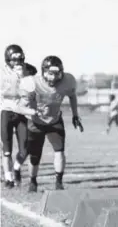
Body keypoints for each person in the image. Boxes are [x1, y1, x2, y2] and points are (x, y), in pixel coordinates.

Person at [19, 56, 84, 192]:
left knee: (59, 152)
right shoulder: (32, 83)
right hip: (36, 122)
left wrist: (75, 115)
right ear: (43, 72)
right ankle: (33, 181)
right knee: (35, 156)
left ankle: (59, 183)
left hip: (54, 121)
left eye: (57, 74)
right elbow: (21, 106)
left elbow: (72, 96)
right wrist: (31, 110)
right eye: (50, 73)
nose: (53, 78)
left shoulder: (68, 81)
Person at [0, 44, 37, 188]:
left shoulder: (29, 70)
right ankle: (8, 178)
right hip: (7, 111)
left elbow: (33, 87)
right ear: (8, 60)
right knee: (7, 150)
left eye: (19, 59)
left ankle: (16, 168)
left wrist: (23, 77)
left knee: (25, 148)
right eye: (13, 60)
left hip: (22, 112)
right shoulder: (2, 72)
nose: (17, 62)